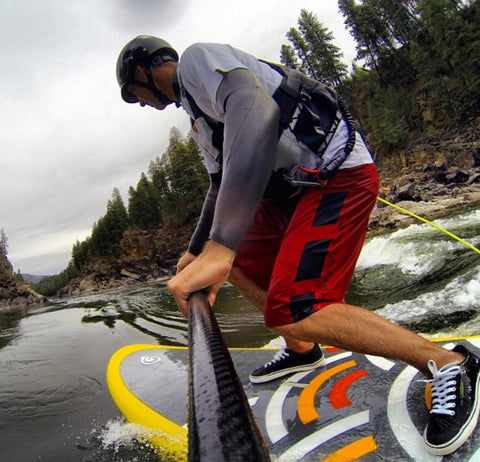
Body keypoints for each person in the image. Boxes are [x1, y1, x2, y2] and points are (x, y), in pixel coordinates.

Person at [116, 35, 480, 455]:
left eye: (134, 94)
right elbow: (219, 184)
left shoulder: (197, 62)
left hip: (337, 175)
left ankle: (450, 363)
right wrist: (200, 248)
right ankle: (301, 348)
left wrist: (221, 245)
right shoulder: (197, 117)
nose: (140, 103)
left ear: (146, 69)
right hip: (289, 195)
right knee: (236, 264)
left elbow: (256, 109)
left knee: (296, 305)